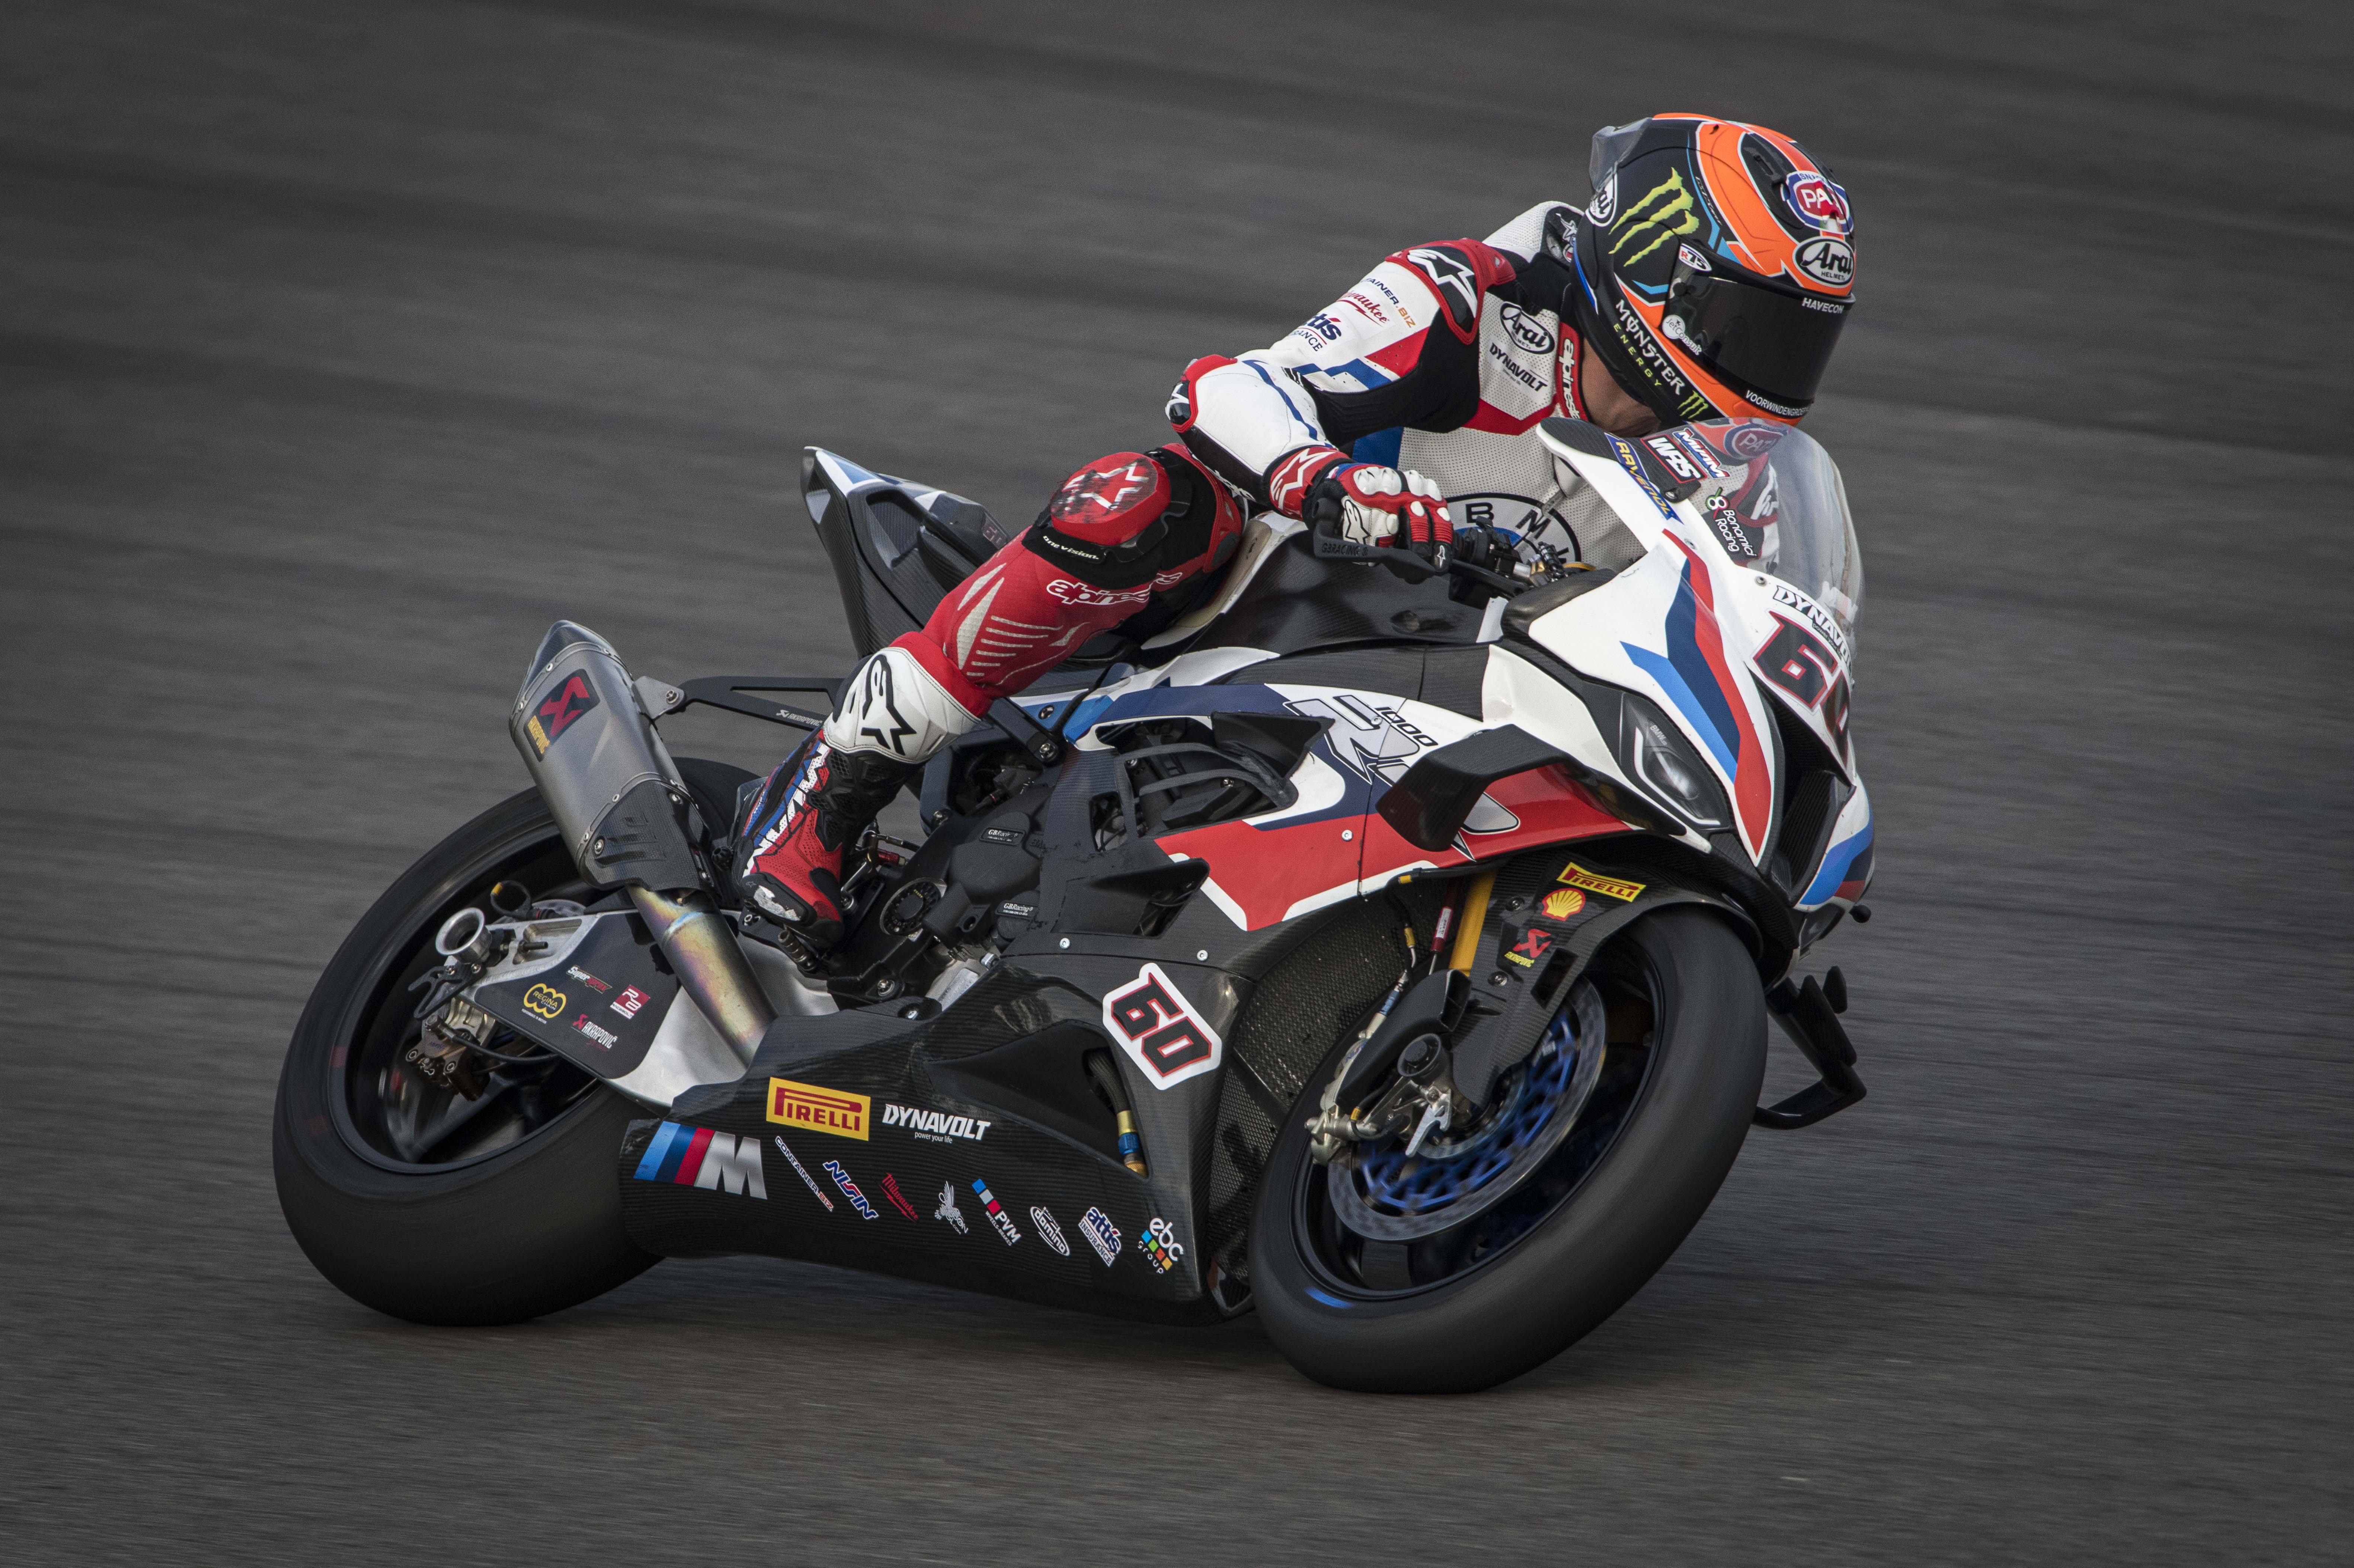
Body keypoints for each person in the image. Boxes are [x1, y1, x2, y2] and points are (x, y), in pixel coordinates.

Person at [732, 113, 1858, 949]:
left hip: (1509, 694)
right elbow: (1227, 389)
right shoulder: (1470, 298)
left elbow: (1760, 615)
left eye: (1799, 344)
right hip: (1294, 606)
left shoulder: (1731, 466)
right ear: (1661, 272)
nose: (1771, 372)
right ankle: (830, 790)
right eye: (1752, 328)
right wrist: (1320, 475)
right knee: (1147, 498)